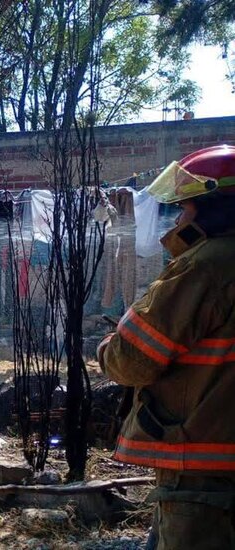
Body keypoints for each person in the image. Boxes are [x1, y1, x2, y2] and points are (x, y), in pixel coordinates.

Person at [99, 145, 235, 549]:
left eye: (186, 207)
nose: (178, 219)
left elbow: (132, 360)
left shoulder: (205, 265)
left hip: (204, 467)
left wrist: (106, 348)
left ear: (213, 208)